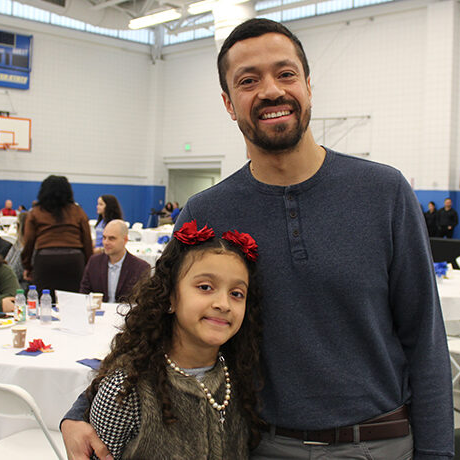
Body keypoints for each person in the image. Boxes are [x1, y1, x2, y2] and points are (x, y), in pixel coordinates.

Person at [61, 18, 453, 460]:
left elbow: (425, 338)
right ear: (229, 104)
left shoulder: (384, 192)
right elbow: (154, 324)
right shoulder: (207, 212)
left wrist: (437, 452)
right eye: (249, 80)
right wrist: (82, 409)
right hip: (260, 444)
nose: (270, 90)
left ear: (308, 85)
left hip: (379, 443)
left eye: (285, 74)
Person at [68, 220, 262, 459]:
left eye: (236, 294)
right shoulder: (126, 389)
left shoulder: (237, 377)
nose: (223, 304)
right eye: (205, 287)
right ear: (170, 296)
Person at [21, 175, 93, 296]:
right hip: (74, 261)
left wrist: (27, 266)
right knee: (73, 302)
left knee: (44, 303)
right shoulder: (78, 211)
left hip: (45, 261)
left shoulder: (35, 213)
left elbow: (28, 243)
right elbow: (87, 241)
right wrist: (88, 265)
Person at [80, 220, 150, 303]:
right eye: (104, 237)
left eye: (112, 238)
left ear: (125, 240)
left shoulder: (140, 268)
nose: (106, 242)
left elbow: (142, 302)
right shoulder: (94, 262)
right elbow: (83, 295)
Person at [6, 213, 28, 290]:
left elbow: (13, 274)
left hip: (19, 290)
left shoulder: (24, 249)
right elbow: (5, 264)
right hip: (10, 284)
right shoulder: (17, 244)